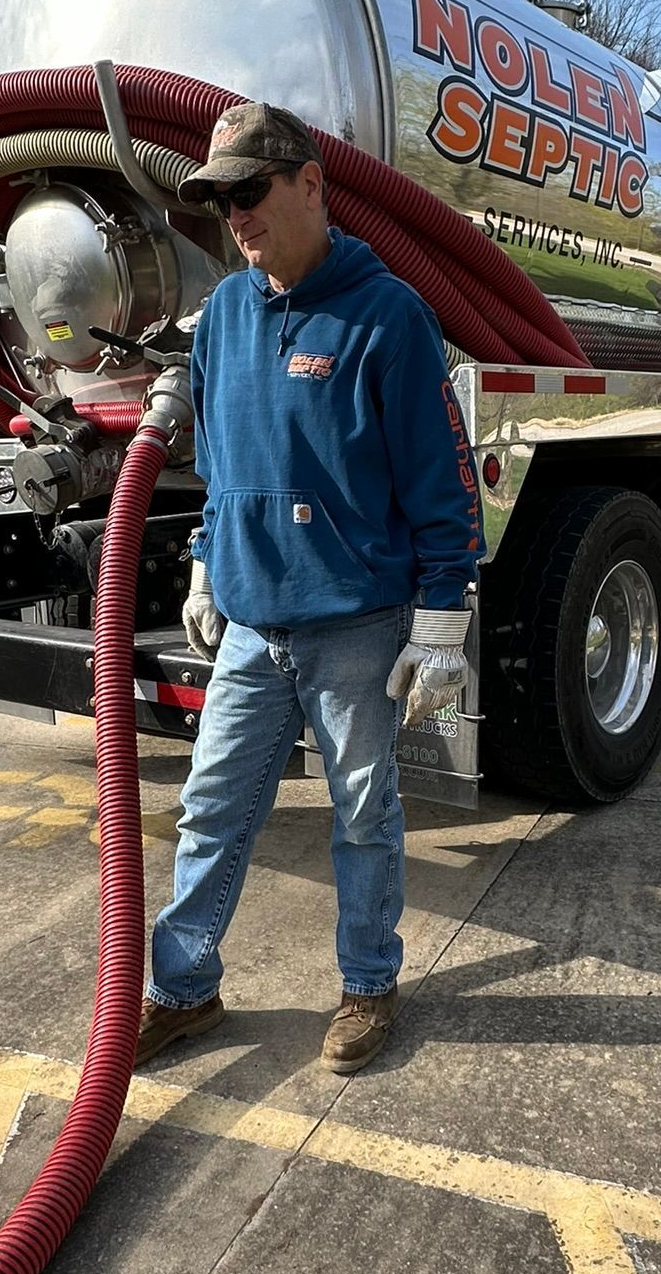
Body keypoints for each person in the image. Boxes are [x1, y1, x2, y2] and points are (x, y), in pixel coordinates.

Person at [135, 102, 483, 1075]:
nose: (234, 216)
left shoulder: (389, 317)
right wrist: (209, 560)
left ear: (311, 185)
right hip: (254, 626)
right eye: (218, 201)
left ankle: (369, 980)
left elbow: (442, 481)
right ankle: (183, 986)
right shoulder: (227, 320)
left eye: (250, 192)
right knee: (211, 807)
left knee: (363, 813)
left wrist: (443, 623)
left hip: (356, 626)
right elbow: (219, 460)